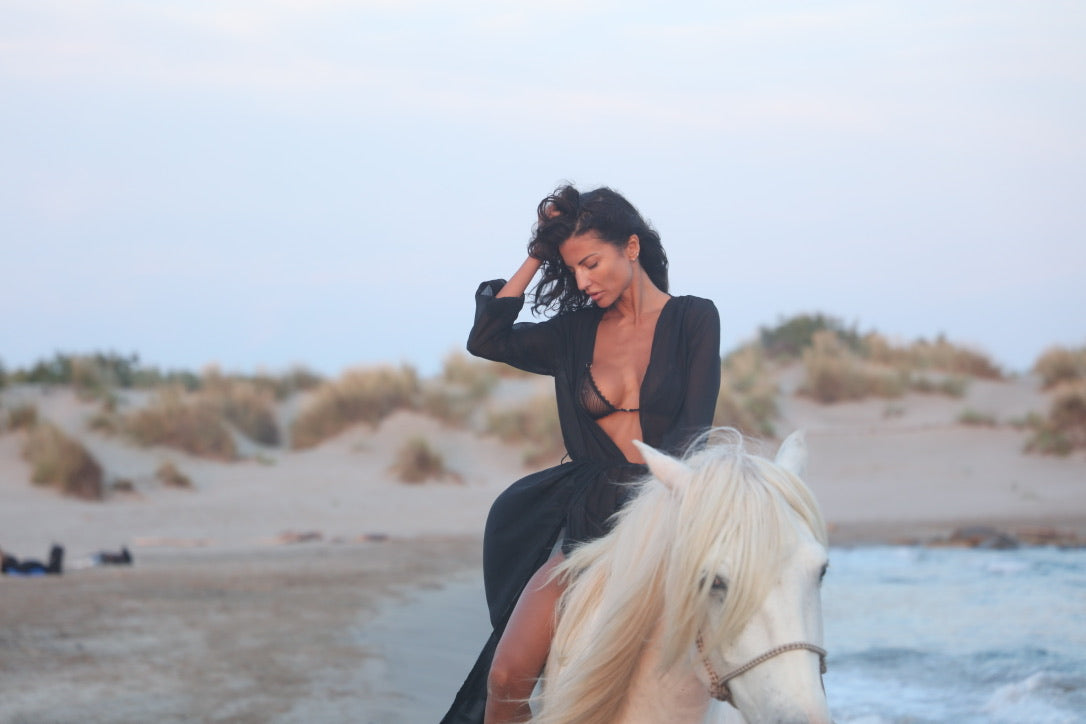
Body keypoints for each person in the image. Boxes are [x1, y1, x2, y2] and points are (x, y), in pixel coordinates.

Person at [440, 185, 721, 724]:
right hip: (588, 523)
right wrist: (538, 253)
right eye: (573, 270)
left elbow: (694, 435)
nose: (584, 281)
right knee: (505, 674)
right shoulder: (573, 333)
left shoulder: (694, 318)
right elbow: (486, 339)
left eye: (591, 263)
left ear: (631, 247)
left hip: (664, 511)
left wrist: (667, 519)